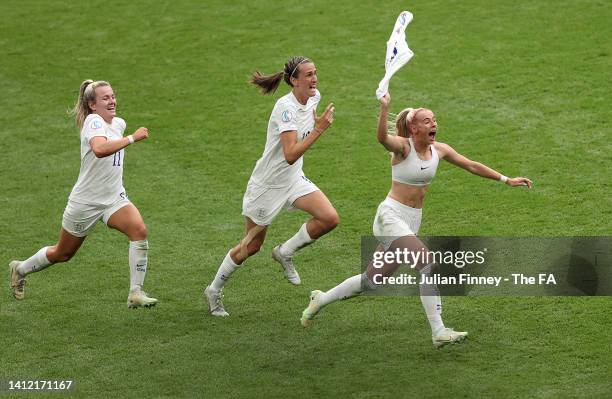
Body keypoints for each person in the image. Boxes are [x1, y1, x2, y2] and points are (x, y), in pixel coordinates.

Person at [300, 92, 533, 347]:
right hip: (390, 217)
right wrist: (384, 109)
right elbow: (381, 138)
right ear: (413, 128)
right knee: (427, 263)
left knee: (371, 281)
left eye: (434, 120)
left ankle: (320, 299)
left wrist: (506, 179)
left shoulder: (439, 150)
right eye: (427, 120)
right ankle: (438, 331)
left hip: (411, 221)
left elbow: (472, 165)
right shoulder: (403, 148)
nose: (433, 124)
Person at [204, 56, 338, 316]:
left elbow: (292, 161)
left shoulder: (314, 97)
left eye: (315, 73)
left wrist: (316, 127)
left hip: (293, 179)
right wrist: (319, 130)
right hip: (268, 186)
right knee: (250, 246)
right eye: (309, 75)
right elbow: (289, 154)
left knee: (329, 218)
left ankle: (285, 252)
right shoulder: (284, 109)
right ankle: (214, 289)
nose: (315, 79)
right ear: (293, 81)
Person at [9, 80, 157, 308]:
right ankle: (20, 269)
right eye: (105, 98)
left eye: (113, 96)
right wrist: (132, 138)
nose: (112, 101)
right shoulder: (92, 121)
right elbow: (99, 150)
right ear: (92, 104)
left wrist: (126, 136)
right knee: (63, 253)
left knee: (139, 231)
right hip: (86, 202)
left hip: (114, 198)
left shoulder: (118, 123)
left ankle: (135, 292)